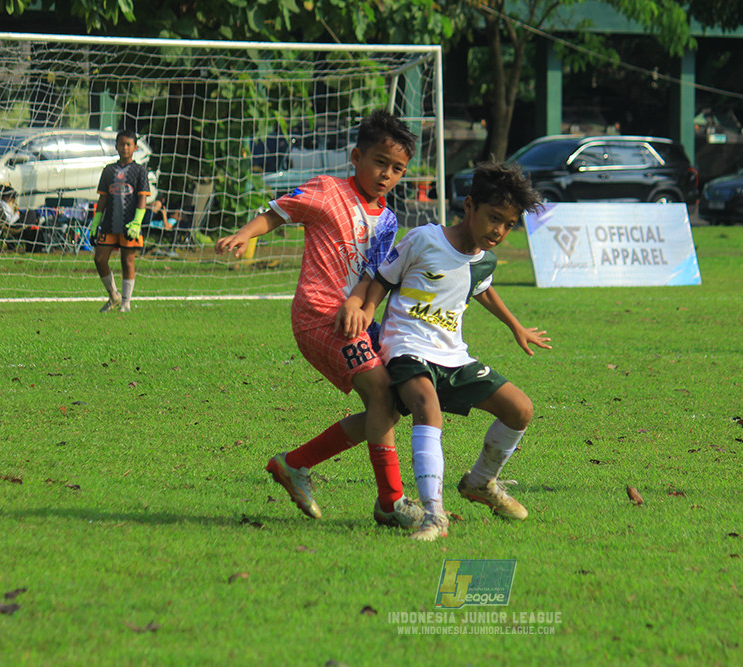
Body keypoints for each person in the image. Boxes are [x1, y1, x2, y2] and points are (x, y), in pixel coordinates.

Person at [215, 110, 424, 528]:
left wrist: (362, 309)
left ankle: (295, 464)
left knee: (390, 404)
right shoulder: (327, 190)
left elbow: (373, 276)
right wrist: (244, 233)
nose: (387, 174)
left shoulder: (387, 220)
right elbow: (279, 212)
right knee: (383, 394)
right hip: (318, 314)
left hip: (353, 319)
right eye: (380, 162)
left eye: (397, 169)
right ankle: (391, 502)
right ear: (356, 156)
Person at [351, 162, 551, 541]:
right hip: (407, 346)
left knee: (520, 409)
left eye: (508, 225)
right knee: (428, 408)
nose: (499, 231)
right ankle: (434, 515)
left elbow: (482, 286)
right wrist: (367, 311)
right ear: (470, 206)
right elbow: (382, 278)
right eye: (494, 218)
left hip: (453, 355)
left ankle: (480, 482)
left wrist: (516, 326)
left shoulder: (484, 258)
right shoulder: (424, 238)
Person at [89, 129, 150, 313]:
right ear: (116, 146)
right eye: (121, 144)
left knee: (127, 261)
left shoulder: (139, 171)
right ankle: (113, 295)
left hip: (129, 225)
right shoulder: (109, 170)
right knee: (99, 258)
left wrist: (137, 222)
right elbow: (103, 199)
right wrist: (95, 222)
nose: (125, 148)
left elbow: (142, 198)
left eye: (128, 144)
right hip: (109, 224)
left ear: (135, 148)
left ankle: (126, 303)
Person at [0, 186, 42, 251]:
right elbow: (10, 221)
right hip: (13, 226)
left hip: (10, 224)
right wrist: (17, 213)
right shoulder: (3, 206)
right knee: (32, 213)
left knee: (30, 215)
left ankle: (34, 227)